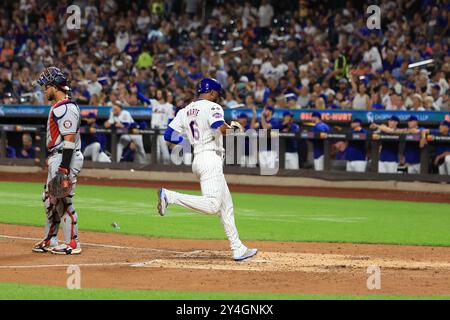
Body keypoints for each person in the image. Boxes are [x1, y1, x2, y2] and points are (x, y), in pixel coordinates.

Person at [157, 78, 257, 261]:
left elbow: (168, 135)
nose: (217, 97)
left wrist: (186, 142)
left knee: (226, 206)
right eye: (216, 94)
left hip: (199, 158)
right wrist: (235, 129)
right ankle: (169, 196)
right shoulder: (213, 107)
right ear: (211, 92)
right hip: (210, 158)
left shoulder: (185, 110)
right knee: (212, 206)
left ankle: (238, 248)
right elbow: (219, 128)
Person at [32, 67, 83, 255]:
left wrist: (63, 168)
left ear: (55, 86)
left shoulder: (65, 108)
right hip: (58, 155)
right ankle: (51, 239)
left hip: (66, 157)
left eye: (46, 86)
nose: (44, 90)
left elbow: (68, 139)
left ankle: (73, 243)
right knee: (49, 199)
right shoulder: (60, 106)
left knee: (63, 200)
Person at [252, 105, 281, 170]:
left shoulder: (275, 121)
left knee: (270, 170)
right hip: (261, 149)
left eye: (266, 110)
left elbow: (266, 127)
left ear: (270, 112)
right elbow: (253, 126)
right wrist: (254, 115)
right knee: (263, 170)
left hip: (271, 150)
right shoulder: (261, 121)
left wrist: (262, 116)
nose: (264, 112)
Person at [150, 89, 174, 164]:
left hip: (163, 128)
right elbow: (143, 98)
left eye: (160, 93)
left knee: (164, 147)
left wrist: (169, 134)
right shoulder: (154, 103)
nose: (158, 95)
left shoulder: (169, 106)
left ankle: (167, 166)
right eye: (157, 93)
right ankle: (155, 165)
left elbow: (171, 120)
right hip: (153, 128)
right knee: (155, 148)